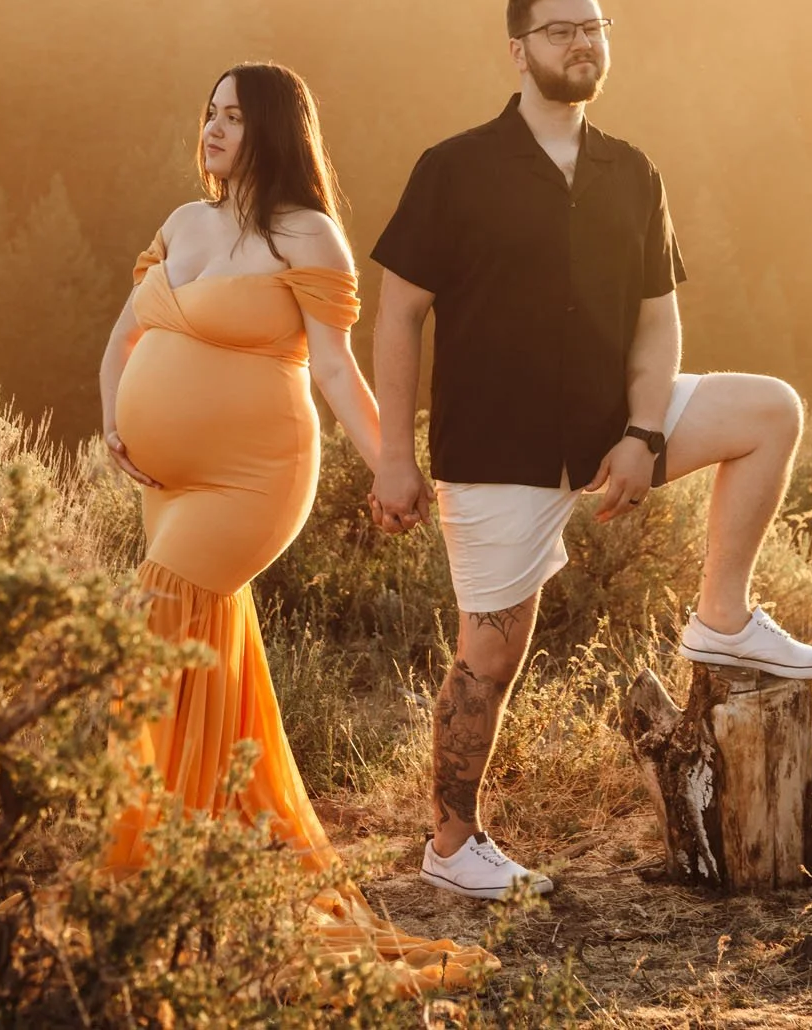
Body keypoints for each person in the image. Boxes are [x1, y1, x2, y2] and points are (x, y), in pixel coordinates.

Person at [367, 0, 812, 901]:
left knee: (769, 410)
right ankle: (452, 846)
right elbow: (397, 314)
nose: (582, 43)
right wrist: (392, 454)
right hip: (495, 445)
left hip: (606, 419)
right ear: (518, 50)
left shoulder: (633, 171)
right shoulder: (454, 167)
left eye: (594, 27)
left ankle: (721, 619)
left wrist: (640, 431)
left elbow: (659, 318)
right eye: (559, 30)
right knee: (491, 652)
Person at [96, 62, 493, 991]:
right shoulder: (183, 224)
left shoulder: (305, 233)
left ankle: (147, 869)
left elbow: (334, 372)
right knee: (198, 661)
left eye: (235, 116)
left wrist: (392, 465)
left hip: (252, 478)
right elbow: (120, 341)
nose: (214, 129)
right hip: (164, 482)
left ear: (273, 130)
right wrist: (114, 420)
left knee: (148, 640)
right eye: (208, 112)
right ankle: (197, 875)